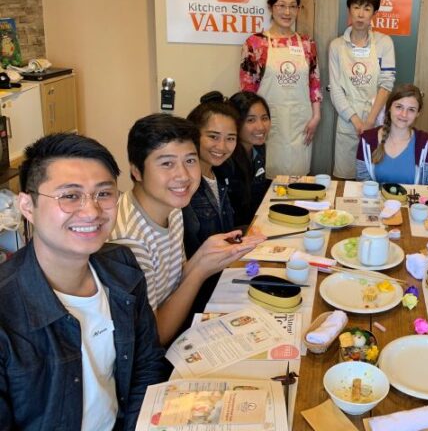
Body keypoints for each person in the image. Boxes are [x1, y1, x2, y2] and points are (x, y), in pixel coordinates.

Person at [2, 133, 165, 430]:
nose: (91, 211)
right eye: (70, 196)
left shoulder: (122, 266)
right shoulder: (6, 309)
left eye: (104, 194)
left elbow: (146, 366)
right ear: (27, 206)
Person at [110, 114, 263, 345]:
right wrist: (200, 270)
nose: (183, 175)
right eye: (167, 163)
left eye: (190, 160)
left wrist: (204, 254)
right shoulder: (129, 242)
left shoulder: (172, 207)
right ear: (136, 171)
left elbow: (175, 282)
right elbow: (154, 338)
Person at [240, 0, 322, 177]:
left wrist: (316, 116)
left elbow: (314, 82)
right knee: (267, 174)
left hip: (301, 121)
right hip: (267, 121)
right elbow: (247, 90)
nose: (287, 12)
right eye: (281, 5)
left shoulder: (307, 43)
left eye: (293, 6)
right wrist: (251, 122)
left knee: (298, 176)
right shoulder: (255, 43)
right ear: (271, 7)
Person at [329, 0, 396, 179]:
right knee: (345, 178)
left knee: (373, 177)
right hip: (347, 119)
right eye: (356, 7)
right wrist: (356, 121)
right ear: (349, 9)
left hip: (376, 118)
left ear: (374, 13)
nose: (360, 14)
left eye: (367, 9)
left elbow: (386, 85)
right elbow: (335, 89)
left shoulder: (384, 43)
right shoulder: (336, 46)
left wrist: (369, 121)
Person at [183, 93, 240, 317]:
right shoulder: (185, 186)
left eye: (230, 138)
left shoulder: (220, 174)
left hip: (222, 279)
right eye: (213, 137)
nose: (222, 146)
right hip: (200, 296)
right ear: (194, 135)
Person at [356, 83, 428, 184]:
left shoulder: (427, 144)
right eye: (399, 107)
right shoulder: (367, 141)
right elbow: (363, 183)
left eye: (411, 110)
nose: (404, 114)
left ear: (418, 113)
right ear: (389, 107)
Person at [222, 91, 272, 227]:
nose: (261, 127)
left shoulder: (258, 148)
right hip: (238, 230)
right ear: (235, 123)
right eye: (250, 120)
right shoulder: (226, 158)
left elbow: (257, 191)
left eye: (264, 118)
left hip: (256, 222)